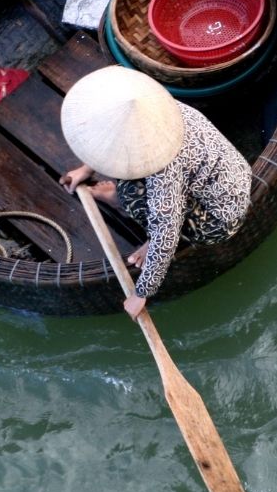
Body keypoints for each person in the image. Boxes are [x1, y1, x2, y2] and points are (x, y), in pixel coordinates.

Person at [59, 66, 251, 319]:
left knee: (131, 193)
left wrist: (141, 293)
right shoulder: (159, 107)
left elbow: (167, 230)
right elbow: (112, 136)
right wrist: (86, 169)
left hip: (219, 216)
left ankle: (123, 204)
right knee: (128, 170)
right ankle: (126, 197)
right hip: (221, 174)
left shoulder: (165, 171)